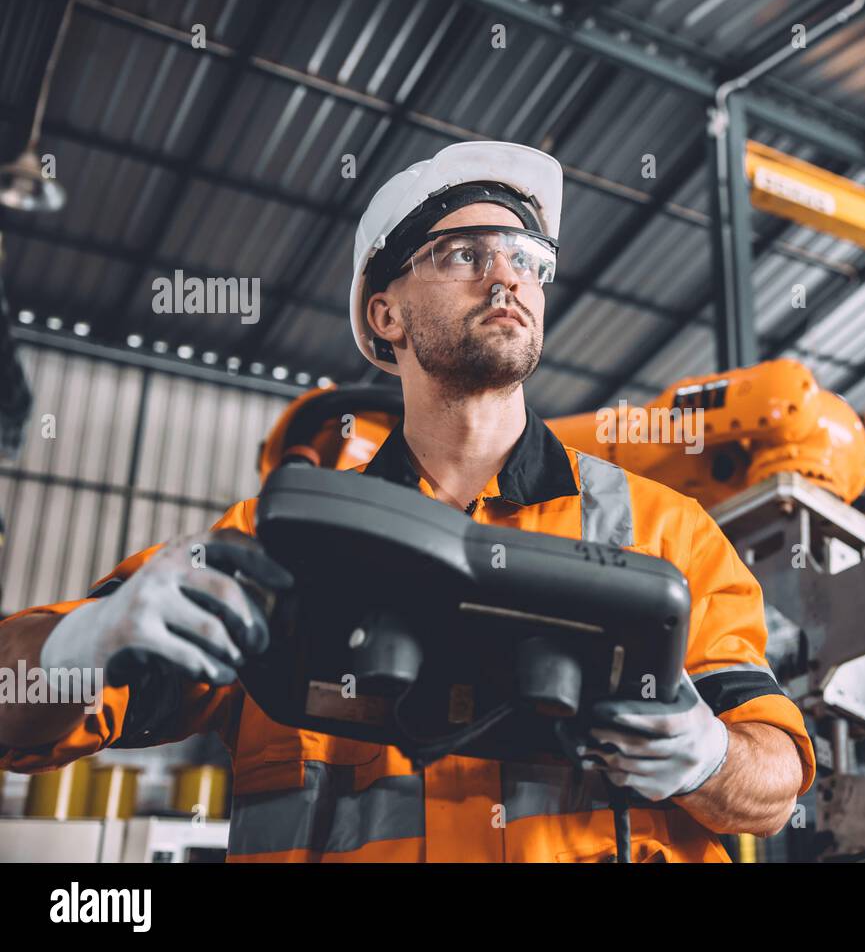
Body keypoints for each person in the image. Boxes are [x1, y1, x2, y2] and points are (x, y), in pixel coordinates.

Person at [0, 141, 814, 862]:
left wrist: (710, 758)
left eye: (527, 258)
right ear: (384, 313)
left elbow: (775, 784)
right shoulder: (275, 544)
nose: (507, 275)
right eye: (463, 252)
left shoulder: (668, 532)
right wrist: (86, 641)